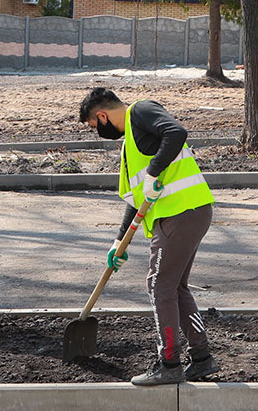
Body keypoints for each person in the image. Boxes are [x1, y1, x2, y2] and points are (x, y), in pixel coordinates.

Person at [78, 87, 217, 386]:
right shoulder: (132, 140)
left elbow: (176, 132)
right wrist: (119, 241)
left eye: (94, 126)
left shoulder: (140, 111)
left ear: (101, 115)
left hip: (180, 214)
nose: (98, 131)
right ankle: (202, 357)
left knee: (158, 286)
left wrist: (154, 172)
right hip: (189, 212)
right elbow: (137, 198)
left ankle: (169, 362)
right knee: (174, 286)